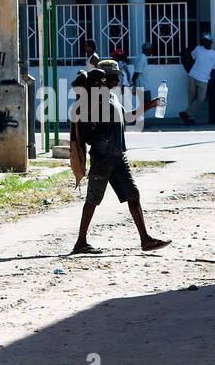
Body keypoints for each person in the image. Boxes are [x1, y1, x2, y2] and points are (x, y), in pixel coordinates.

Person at [70, 59, 170, 255]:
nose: (118, 78)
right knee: (93, 199)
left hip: (117, 156)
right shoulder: (96, 99)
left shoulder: (112, 98)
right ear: (106, 78)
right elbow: (83, 116)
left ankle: (145, 240)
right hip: (102, 157)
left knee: (133, 195)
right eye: (115, 76)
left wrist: (149, 106)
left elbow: (127, 117)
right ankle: (80, 242)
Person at [180, 32, 215, 125]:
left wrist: (211, 80)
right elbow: (191, 57)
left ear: (210, 42)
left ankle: (186, 113)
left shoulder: (214, 54)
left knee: (201, 98)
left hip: (204, 79)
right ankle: (190, 118)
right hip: (193, 76)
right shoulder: (198, 49)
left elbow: (214, 69)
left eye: (206, 41)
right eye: (203, 41)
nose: (204, 43)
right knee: (191, 98)